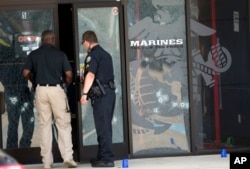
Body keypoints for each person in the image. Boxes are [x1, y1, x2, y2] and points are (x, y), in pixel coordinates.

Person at [22, 29, 77, 169]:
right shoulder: (60, 55)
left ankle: (47, 162)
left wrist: (33, 80)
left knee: (44, 125)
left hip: (40, 90)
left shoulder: (33, 55)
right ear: (53, 40)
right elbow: (69, 74)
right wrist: (66, 84)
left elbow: (25, 72)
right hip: (56, 89)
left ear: (42, 40)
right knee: (63, 124)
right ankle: (67, 158)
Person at [80, 30, 116, 167]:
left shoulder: (93, 55)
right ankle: (102, 156)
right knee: (104, 126)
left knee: (103, 127)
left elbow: (90, 76)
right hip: (109, 93)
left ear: (87, 41)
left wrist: (84, 94)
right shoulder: (106, 54)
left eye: (83, 43)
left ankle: (107, 159)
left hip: (101, 95)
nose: (83, 46)